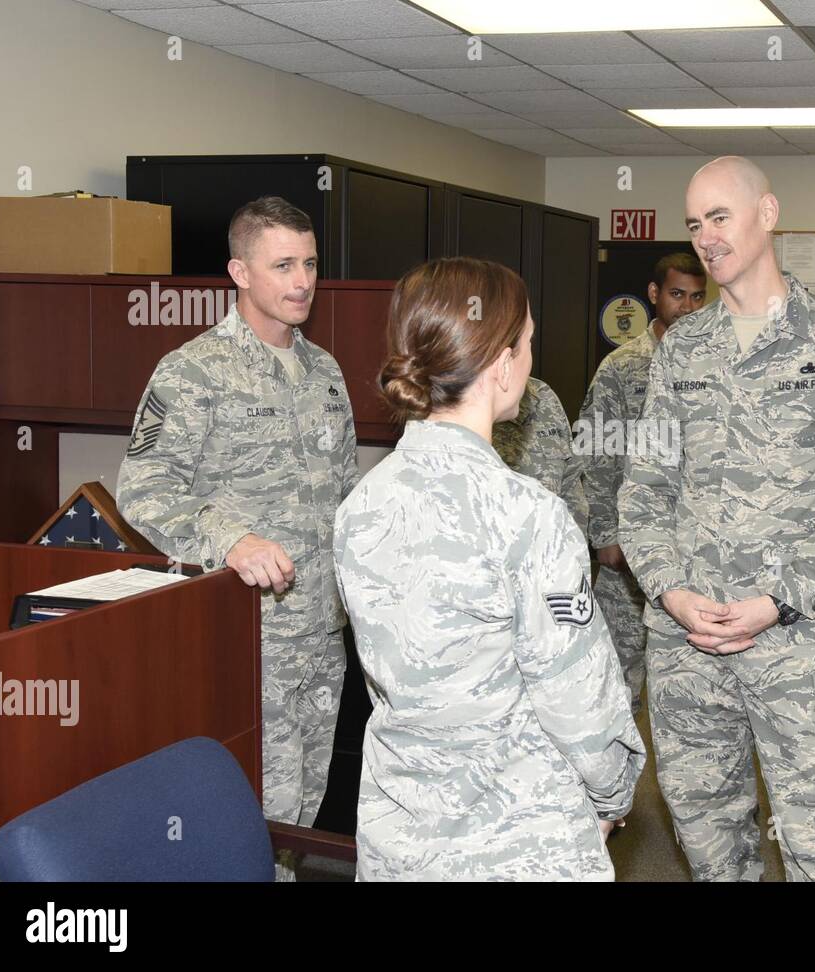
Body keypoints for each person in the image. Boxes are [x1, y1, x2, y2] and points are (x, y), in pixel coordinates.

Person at [618, 157, 815, 882]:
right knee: (706, 832)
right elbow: (644, 489)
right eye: (693, 223)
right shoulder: (681, 349)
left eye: (720, 216)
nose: (706, 237)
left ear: (766, 214)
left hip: (793, 642)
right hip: (686, 641)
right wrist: (670, 592)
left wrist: (777, 601)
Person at [333, 257, 645, 881]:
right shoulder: (529, 514)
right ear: (502, 364)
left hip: (403, 836)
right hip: (519, 841)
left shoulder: (361, 505)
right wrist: (612, 796)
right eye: (528, 342)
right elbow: (577, 696)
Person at [117, 197, 358, 877]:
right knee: (251, 808)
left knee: (302, 811)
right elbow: (144, 487)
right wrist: (232, 539)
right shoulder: (193, 371)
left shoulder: (325, 372)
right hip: (247, 637)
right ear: (239, 272)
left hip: (321, 631)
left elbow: (341, 499)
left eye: (309, 263)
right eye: (282, 264)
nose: (302, 280)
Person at [578, 252, 707, 714]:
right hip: (633, 551)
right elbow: (596, 449)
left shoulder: (713, 365)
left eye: (696, 296)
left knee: (693, 684)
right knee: (617, 676)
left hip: (695, 547)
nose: (687, 307)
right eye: (677, 295)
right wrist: (606, 535)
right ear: (654, 295)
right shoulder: (623, 366)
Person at [493, 376, 589, 537]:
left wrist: (574, 557)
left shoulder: (541, 395)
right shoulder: (445, 398)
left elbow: (570, 487)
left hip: (551, 554)